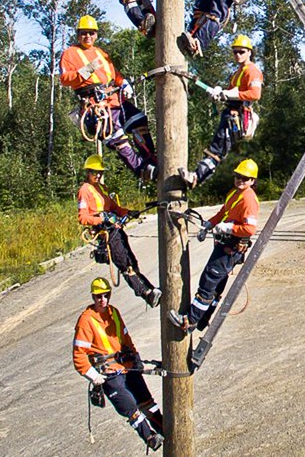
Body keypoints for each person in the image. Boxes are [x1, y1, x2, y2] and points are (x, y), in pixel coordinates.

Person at [59, 15, 157, 181]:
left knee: (138, 120)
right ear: (78, 34)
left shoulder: (101, 53)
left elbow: (114, 74)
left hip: (115, 99)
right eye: (84, 33)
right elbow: (64, 79)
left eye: (91, 33)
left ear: (96, 34)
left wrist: (123, 83)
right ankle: (142, 170)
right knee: (118, 140)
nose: (88, 36)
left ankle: (151, 159)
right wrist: (83, 72)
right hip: (95, 104)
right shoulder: (70, 54)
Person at [73, 277, 164, 451]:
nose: (103, 300)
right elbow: (79, 355)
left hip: (127, 367)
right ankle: (150, 437)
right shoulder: (86, 320)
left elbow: (126, 338)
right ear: (93, 297)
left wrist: (136, 358)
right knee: (130, 407)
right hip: (108, 374)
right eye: (99, 296)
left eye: (106, 295)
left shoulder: (113, 312)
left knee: (147, 402)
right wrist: (93, 376)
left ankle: (165, 428)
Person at [169, 159, 260, 332]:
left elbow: (249, 229)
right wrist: (208, 225)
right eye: (238, 176)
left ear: (252, 181)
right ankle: (203, 319)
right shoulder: (234, 193)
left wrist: (228, 227)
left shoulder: (249, 200)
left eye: (245, 178)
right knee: (217, 285)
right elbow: (223, 213)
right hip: (224, 243)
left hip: (231, 248)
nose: (240, 180)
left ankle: (190, 321)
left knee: (209, 281)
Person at [179, 35, 263, 189]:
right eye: (235, 52)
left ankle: (197, 177)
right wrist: (220, 93)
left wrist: (231, 94)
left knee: (218, 150)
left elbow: (255, 94)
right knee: (216, 146)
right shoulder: (238, 72)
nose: (238, 55)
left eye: (241, 52)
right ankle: (196, 176)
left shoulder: (253, 71)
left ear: (249, 52)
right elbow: (230, 93)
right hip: (230, 113)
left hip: (238, 116)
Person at [78, 155, 161, 307]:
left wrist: (127, 212)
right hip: (106, 234)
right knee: (125, 264)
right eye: (94, 172)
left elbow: (115, 208)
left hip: (115, 230)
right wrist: (101, 220)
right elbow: (83, 217)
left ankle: (151, 290)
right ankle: (146, 294)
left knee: (131, 262)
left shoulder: (102, 188)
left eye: (100, 173)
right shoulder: (85, 190)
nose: (98, 175)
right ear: (88, 172)